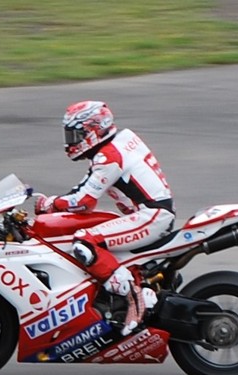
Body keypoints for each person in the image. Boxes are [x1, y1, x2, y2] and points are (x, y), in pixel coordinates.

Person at [36, 101, 175, 334]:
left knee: (84, 242)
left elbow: (83, 202)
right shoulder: (117, 144)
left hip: (151, 216)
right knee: (98, 234)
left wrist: (50, 204)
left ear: (93, 130)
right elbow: (82, 189)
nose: (70, 141)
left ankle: (134, 299)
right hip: (151, 213)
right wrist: (56, 202)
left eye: (76, 134)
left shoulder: (108, 156)